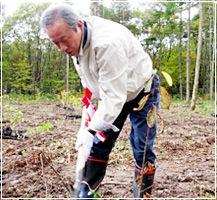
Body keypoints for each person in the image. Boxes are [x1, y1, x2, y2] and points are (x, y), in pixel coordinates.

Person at [40, 3, 160, 199]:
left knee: (142, 147)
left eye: (64, 40)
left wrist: (90, 130)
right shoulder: (74, 44)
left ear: (78, 25)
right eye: (55, 43)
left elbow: (115, 97)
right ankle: (85, 192)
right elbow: (91, 79)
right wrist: (89, 111)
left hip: (142, 91)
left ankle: (143, 195)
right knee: (97, 145)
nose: (61, 48)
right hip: (110, 93)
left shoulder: (106, 43)